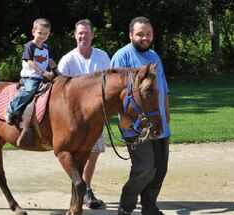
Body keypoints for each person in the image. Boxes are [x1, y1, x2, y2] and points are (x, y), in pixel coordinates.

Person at [110, 16, 171, 215]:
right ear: (130, 35)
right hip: (135, 125)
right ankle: (126, 208)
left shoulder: (155, 57)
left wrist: (166, 115)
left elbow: (163, 88)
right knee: (144, 169)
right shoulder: (122, 56)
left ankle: (149, 208)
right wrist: (123, 117)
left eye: (148, 34)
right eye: (140, 34)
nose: (144, 38)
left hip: (158, 121)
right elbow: (112, 92)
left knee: (159, 169)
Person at [58, 19, 110, 209]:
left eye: (87, 33)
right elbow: (58, 87)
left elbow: (109, 84)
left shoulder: (102, 56)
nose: (83, 36)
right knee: (74, 155)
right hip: (73, 120)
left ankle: (86, 189)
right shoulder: (68, 59)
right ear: (75, 35)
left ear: (92, 35)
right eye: (80, 33)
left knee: (94, 152)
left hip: (95, 118)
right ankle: (81, 189)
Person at [6, 18, 57, 125]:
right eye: (40, 33)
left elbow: (50, 61)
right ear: (33, 32)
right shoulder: (30, 45)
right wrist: (42, 72)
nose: (43, 36)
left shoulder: (46, 47)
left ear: (49, 34)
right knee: (30, 90)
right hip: (31, 76)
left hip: (42, 76)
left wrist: (57, 71)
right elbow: (29, 61)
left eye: (46, 33)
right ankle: (12, 108)